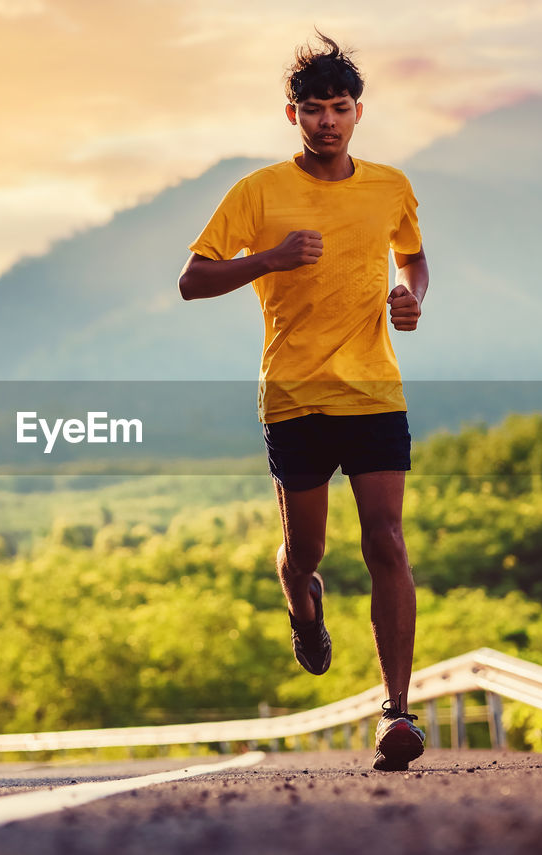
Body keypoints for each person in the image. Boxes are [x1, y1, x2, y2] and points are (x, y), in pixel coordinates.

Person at [177, 33, 429, 771]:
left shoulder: (390, 186)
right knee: (306, 554)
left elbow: (412, 257)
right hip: (295, 397)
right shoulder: (258, 193)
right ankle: (302, 601)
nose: (327, 121)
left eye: (339, 108)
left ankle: (397, 713)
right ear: (293, 115)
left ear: (359, 113)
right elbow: (193, 279)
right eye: (313, 109)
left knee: (386, 539)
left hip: (375, 390)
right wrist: (271, 258)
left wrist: (409, 297)